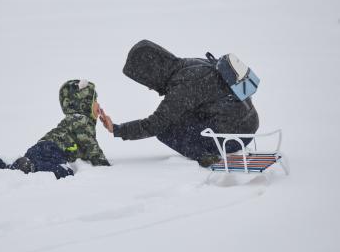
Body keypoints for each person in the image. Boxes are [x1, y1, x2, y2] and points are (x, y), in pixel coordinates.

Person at [100, 40, 259, 167]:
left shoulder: (184, 84)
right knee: (178, 116)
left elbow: (155, 124)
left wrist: (117, 129)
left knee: (165, 129)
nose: (149, 87)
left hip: (235, 136)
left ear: (153, 72)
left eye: (146, 80)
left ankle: (204, 156)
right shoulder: (190, 64)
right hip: (248, 121)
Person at [0, 79, 110, 179]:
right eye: (95, 100)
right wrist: (105, 167)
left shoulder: (74, 120)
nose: (98, 104)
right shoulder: (82, 120)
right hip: (53, 151)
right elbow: (92, 149)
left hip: (40, 148)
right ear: (83, 103)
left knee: (13, 172)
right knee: (65, 171)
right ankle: (31, 167)